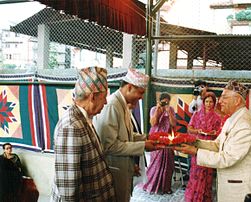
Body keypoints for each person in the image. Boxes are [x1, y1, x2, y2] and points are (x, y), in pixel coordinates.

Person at [175, 80, 251, 202]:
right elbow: (218, 145)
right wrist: (194, 142)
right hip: (231, 186)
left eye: (224, 97)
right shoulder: (232, 119)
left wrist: (196, 152)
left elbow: (227, 158)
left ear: (237, 100)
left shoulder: (244, 125)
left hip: (241, 190)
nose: (220, 101)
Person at [51, 66, 115, 202]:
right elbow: (69, 191)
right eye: (104, 97)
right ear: (92, 97)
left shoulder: (83, 119)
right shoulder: (71, 127)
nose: (105, 102)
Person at [93, 68, 158, 202]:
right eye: (140, 93)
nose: (141, 98)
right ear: (129, 87)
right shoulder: (112, 105)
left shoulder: (122, 104)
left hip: (122, 168)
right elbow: (109, 146)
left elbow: (125, 136)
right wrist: (143, 146)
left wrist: (147, 138)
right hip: (113, 171)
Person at [185, 92, 222, 202]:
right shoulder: (196, 114)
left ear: (214, 103)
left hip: (209, 147)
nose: (209, 104)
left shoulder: (217, 117)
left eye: (211, 102)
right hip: (197, 145)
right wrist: (198, 131)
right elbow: (189, 129)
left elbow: (219, 132)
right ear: (203, 102)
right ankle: (194, 198)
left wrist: (214, 132)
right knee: (195, 171)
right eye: (207, 101)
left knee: (207, 173)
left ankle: (204, 198)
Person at [143, 92, 176, 194]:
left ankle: (166, 187)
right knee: (156, 162)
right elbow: (153, 123)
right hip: (156, 137)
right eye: (163, 102)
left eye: (167, 102)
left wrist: (168, 111)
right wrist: (158, 110)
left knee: (168, 162)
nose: (165, 103)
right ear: (159, 101)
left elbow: (173, 124)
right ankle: (152, 185)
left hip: (167, 138)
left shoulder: (171, 110)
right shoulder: (154, 109)